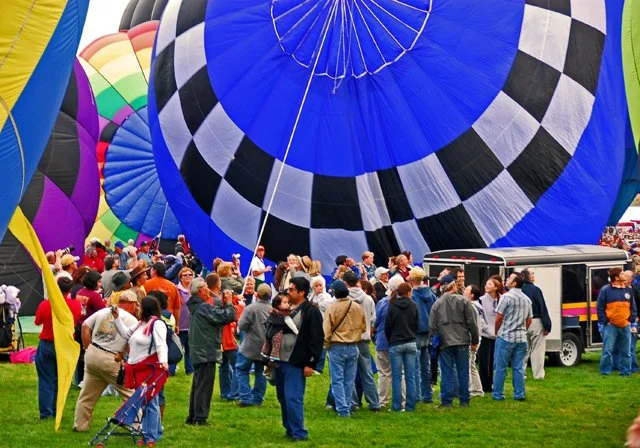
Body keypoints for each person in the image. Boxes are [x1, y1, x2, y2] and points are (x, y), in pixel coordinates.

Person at [112, 296, 167, 446]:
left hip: (150, 368)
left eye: (140, 306)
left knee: (150, 402)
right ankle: (151, 433)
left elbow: (161, 344)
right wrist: (117, 318)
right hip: (138, 368)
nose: (138, 308)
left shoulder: (157, 324)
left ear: (146, 308)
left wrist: (163, 361)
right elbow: (125, 334)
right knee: (146, 402)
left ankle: (150, 437)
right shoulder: (140, 324)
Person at [73, 303, 137, 431]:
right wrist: (128, 358)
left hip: (93, 353)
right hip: (112, 358)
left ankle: (80, 425)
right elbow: (132, 342)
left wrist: (87, 347)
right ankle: (137, 426)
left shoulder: (103, 311)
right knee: (131, 394)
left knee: (87, 396)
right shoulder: (132, 320)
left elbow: (85, 326)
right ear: (132, 304)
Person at [274, 277, 323, 441]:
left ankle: (299, 433)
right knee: (282, 396)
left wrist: (310, 363)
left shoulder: (311, 311)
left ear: (302, 292)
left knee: (293, 397)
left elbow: (317, 338)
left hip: (296, 361)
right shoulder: (285, 306)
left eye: (292, 289)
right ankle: (289, 428)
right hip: (280, 359)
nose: (288, 291)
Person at [186, 277, 236, 426]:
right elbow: (228, 316)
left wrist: (223, 303)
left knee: (198, 384)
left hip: (199, 349)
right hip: (206, 351)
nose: (208, 290)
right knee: (204, 386)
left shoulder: (196, 306)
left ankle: (193, 416)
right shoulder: (204, 308)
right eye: (205, 288)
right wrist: (229, 303)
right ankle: (200, 418)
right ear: (200, 290)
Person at [35, 277, 82, 419]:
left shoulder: (45, 304)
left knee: (46, 380)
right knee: (60, 380)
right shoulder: (75, 305)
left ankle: (46, 413)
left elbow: (37, 321)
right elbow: (76, 320)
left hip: (48, 344)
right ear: (70, 290)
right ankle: (56, 410)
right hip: (65, 346)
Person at [430, 277, 479, 407]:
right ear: (454, 286)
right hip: (462, 340)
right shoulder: (463, 301)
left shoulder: (437, 303)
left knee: (446, 372)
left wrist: (435, 340)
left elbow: (432, 325)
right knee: (463, 372)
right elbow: (471, 322)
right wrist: (475, 339)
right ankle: (464, 400)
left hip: (445, 341)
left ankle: (446, 401)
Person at [323, 280, 366, 417]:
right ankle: (347, 405)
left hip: (337, 345)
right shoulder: (357, 307)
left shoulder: (332, 308)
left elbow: (326, 329)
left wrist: (327, 343)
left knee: (337, 379)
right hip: (353, 345)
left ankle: (342, 409)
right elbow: (363, 326)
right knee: (349, 379)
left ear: (335, 293)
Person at [343, 271, 380, 412]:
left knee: (349, 372)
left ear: (345, 283)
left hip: (348, 338)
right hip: (364, 338)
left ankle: (352, 402)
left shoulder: (344, 298)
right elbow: (373, 319)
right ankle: (374, 403)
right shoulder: (368, 299)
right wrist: (369, 332)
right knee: (367, 372)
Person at [493, 272, 532, 401]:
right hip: (521, 338)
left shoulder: (506, 297)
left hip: (505, 336)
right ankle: (519, 394)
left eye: (509, 278)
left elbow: (499, 317)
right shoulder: (527, 299)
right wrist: (523, 330)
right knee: (518, 368)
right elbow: (529, 319)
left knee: (500, 367)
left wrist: (496, 330)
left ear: (514, 283)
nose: (507, 279)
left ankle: (498, 394)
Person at [236, 283, 272, 407]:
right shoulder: (273, 309)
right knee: (261, 373)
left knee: (241, 370)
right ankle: (257, 398)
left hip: (250, 346)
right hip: (266, 347)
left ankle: (245, 397)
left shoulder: (251, 308)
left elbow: (241, 326)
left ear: (256, 295)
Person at [385, 282, 419, 412]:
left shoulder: (392, 306)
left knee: (397, 377)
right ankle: (410, 406)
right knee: (410, 376)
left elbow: (388, 326)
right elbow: (416, 324)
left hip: (396, 342)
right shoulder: (413, 305)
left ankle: (396, 406)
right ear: (409, 292)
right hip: (410, 341)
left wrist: (390, 339)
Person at [597, 267, 637, 376]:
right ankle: (605, 372)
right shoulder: (605, 290)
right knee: (607, 351)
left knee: (626, 352)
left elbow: (633, 307)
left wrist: (630, 320)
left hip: (625, 325)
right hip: (611, 326)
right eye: (622, 273)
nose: (624, 275)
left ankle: (625, 372)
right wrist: (605, 321)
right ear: (616, 277)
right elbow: (600, 307)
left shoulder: (628, 290)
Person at [374, 274, 404, 408]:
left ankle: (382, 400)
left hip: (383, 340)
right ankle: (403, 400)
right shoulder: (407, 303)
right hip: (400, 340)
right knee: (400, 372)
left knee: (384, 372)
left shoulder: (383, 303)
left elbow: (376, 321)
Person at [409, 267, 436, 404]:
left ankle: (416, 395)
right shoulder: (431, 294)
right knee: (426, 366)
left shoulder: (412, 295)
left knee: (415, 366)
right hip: (428, 332)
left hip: (416, 332)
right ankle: (427, 394)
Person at [521, 268, 552, 380]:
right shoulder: (535, 290)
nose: (534, 275)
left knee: (523, 350)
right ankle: (538, 375)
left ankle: (521, 374)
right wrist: (547, 325)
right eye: (532, 273)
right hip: (535, 321)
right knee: (537, 350)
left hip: (522, 322)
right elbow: (542, 307)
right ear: (529, 277)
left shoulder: (519, 290)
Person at [477, 277, 501, 393]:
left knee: (493, 361)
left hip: (498, 335)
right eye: (486, 284)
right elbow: (480, 319)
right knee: (484, 361)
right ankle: (485, 385)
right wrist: (488, 330)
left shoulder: (501, 299)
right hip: (485, 335)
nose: (486, 286)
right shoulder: (481, 300)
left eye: (489, 284)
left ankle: (491, 382)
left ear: (496, 287)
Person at [463, 284, 487, 398]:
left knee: (467, 364)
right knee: (472, 364)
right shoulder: (478, 306)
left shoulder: (471, 306)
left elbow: (473, 324)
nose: (464, 291)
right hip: (477, 337)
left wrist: (474, 340)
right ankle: (477, 389)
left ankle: (468, 390)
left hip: (472, 338)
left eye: (467, 290)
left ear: (472, 295)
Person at [220, 290, 243, 401]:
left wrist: (235, 299)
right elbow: (236, 316)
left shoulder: (220, 305)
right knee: (238, 367)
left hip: (222, 342)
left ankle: (225, 393)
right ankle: (234, 393)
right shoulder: (227, 309)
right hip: (228, 342)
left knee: (224, 367)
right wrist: (240, 306)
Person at [145, 262, 181, 330]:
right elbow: (177, 308)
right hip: (168, 321)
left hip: (150, 322)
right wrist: (176, 325)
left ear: (154, 271)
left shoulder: (145, 284)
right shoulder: (172, 286)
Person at [176, 268, 194, 375]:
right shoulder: (176, 289)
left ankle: (190, 369)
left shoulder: (195, 290)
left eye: (190, 274)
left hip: (192, 325)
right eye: (185, 275)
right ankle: (171, 369)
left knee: (190, 349)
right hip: (180, 324)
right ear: (180, 278)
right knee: (177, 348)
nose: (188, 276)